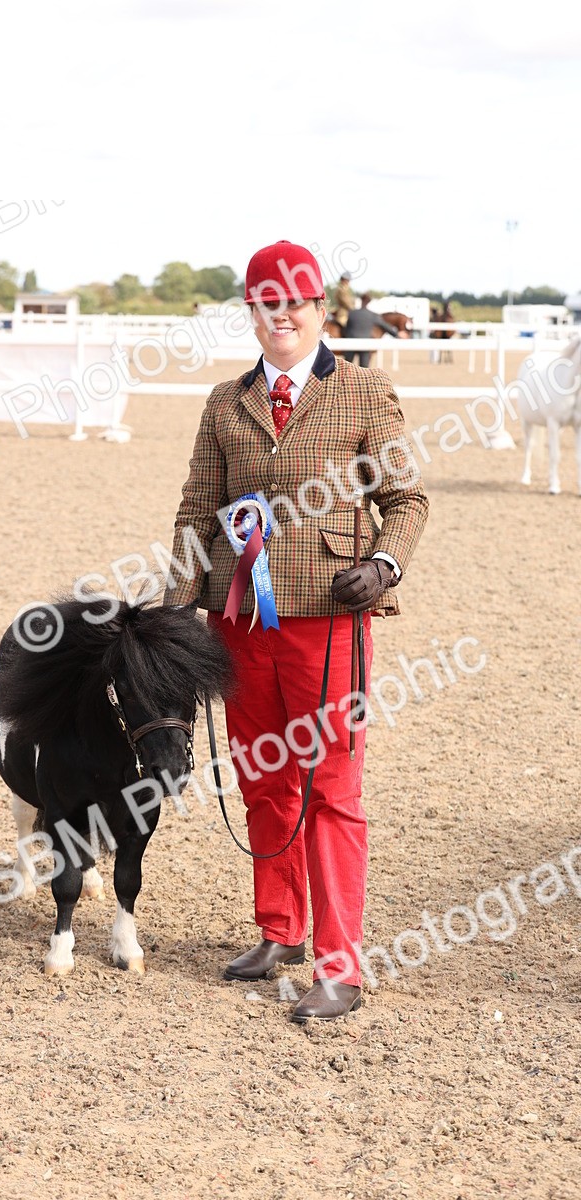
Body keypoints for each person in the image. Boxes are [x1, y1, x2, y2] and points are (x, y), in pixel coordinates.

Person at [165, 240, 428, 1021]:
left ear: (320, 310)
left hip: (330, 624)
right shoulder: (224, 402)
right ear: (251, 311)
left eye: (296, 303)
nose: (281, 315)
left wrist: (384, 564)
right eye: (265, 303)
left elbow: (407, 500)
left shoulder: (363, 393)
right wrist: (177, 607)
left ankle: (341, 965)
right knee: (264, 777)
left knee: (332, 787)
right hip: (239, 620)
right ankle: (281, 928)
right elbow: (195, 511)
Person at [343, 294, 399, 368]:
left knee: (347, 368)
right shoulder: (372, 315)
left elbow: (346, 328)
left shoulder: (352, 313)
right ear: (369, 302)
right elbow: (385, 326)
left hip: (350, 343)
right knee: (364, 369)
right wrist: (397, 335)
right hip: (365, 344)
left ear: (361, 301)